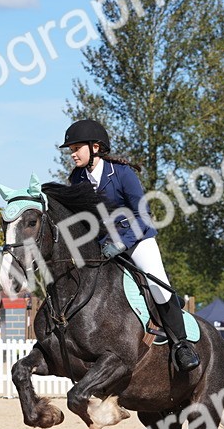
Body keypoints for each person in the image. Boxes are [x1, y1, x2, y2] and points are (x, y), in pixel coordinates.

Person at [60, 118, 199, 371]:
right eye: (71, 150)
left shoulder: (122, 174)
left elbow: (142, 215)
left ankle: (181, 345)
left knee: (158, 285)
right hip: (101, 245)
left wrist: (121, 244)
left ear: (95, 148)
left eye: (76, 148)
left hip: (136, 239)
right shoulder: (78, 178)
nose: (73, 154)